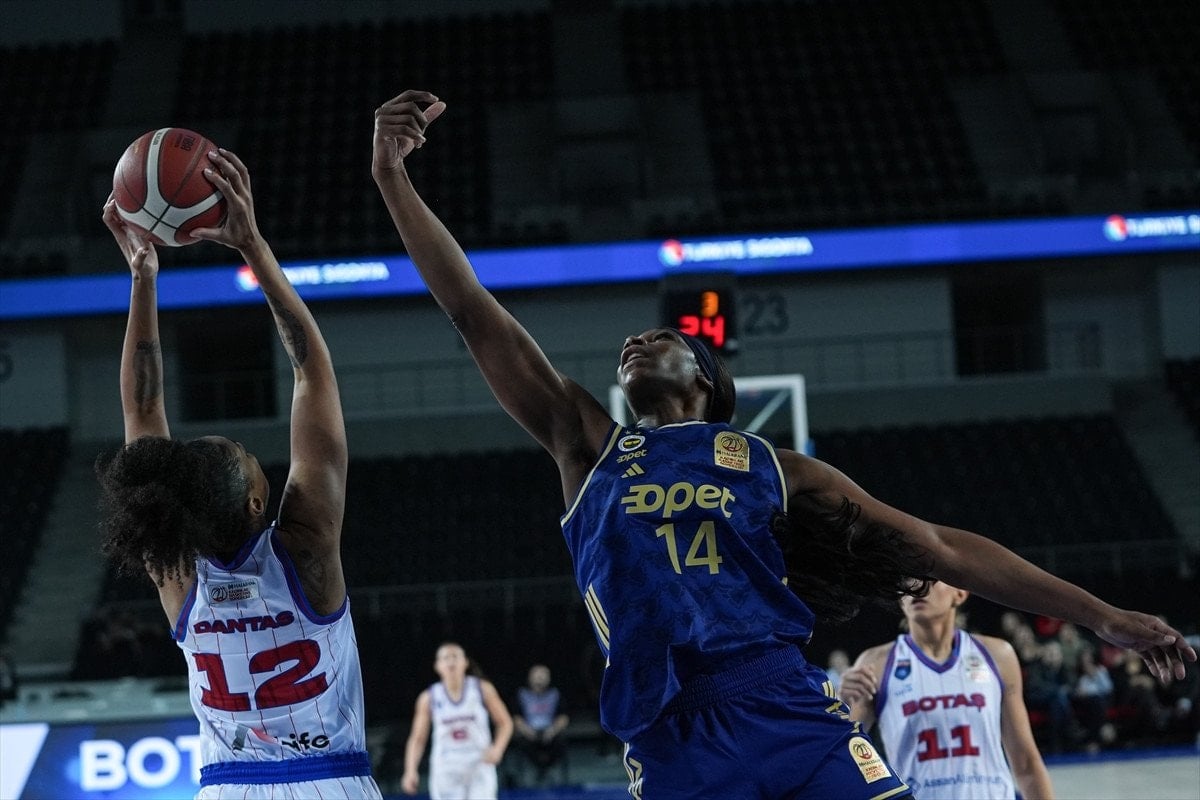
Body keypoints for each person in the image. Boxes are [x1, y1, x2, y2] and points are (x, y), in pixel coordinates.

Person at [371, 89, 1196, 799]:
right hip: (672, 724)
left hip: (785, 703)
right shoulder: (588, 447)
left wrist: (1103, 616)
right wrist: (393, 178)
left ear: (706, 377)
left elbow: (941, 547)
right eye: (630, 342)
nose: (635, 341)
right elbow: (473, 311)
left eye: (661, 337)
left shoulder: (773, 466)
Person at [96, 149, 381, 799]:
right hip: (330, 780)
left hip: (229, 786)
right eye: (248, 455)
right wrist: (252, 244)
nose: (256, 454)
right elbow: (312, 373)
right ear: (258, 501)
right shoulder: (306, 551)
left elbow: (142, 409)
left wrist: (143, 277)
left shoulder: (177, 570)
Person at [839, 581, 1054, 799]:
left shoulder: (997, 655)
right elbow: (844, 752)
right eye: (908, 579)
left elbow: (1026, 762)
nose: (917, 586)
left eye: (930, 580)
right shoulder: (876, 663)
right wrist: (842, 704)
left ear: (960, 593)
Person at [401, 642, 513, 799]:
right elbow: (418, 738)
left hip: (479, 763)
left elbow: (505, 723)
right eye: (445, 658)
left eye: (455, 657)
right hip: (446, 766)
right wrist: (410, 770)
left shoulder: (482, 689)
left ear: (465, 662)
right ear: (437, 666)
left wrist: (498, 749)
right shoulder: (428, 697)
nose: (451, 662)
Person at [512, 663, 571, 786]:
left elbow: (564, 717)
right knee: (523, 743)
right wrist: (527, 731)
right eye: (537, 676)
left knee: (561, 742)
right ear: (529, 677)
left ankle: (547, 769)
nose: (540, 679)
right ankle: (537, 770)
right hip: (529, 732)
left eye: (543, 676)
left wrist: (552, 730)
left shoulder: (555, 694)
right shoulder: (522, 694)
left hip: (550, 732)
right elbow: (516, 718)